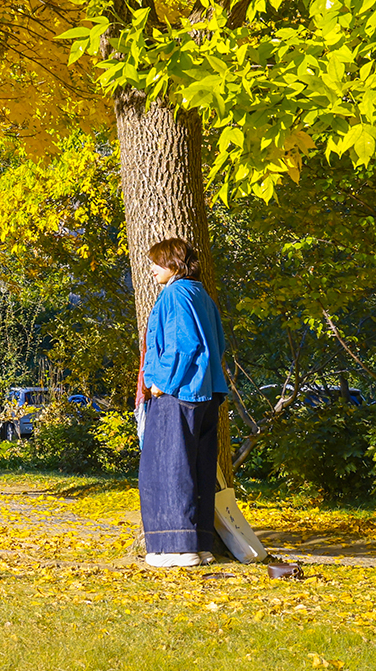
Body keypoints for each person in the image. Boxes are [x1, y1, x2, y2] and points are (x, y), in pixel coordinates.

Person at [137, 237, 229, 568]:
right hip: (206, 392)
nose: (151, 269)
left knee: (166, 468)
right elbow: (218, 343)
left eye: (156, 263)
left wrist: (163, 382)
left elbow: (183, 345)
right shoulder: (202, 295)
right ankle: (200, 544)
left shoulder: (175, 294)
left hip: (180, 393)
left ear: (174, 264)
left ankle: (176, 548)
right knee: (198, 468)